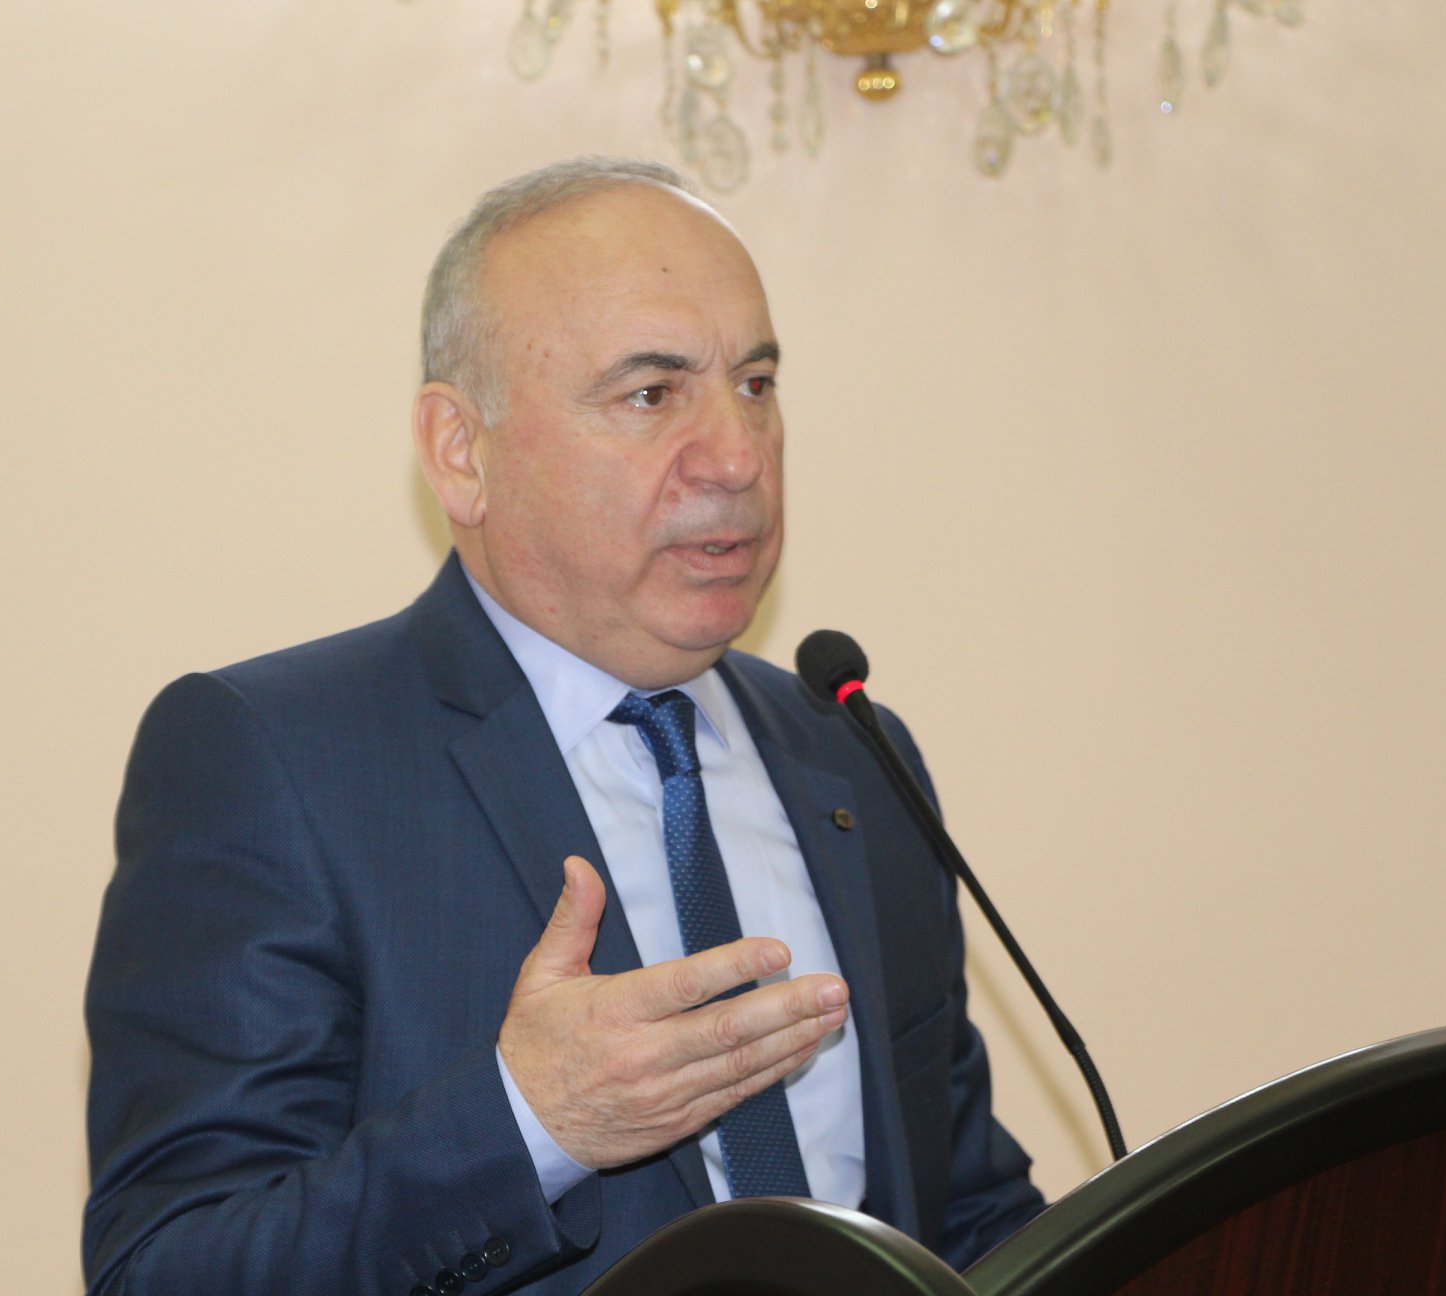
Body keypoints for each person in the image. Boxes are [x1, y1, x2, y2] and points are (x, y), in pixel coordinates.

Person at [82, 157, 1043, 1296]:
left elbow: (964, 1218)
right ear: (462, 451)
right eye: (652, 394)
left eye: (756, 383)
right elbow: (169, 1271)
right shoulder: (276, 760)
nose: (738, 457)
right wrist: (530, 1123)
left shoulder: (854, 753)